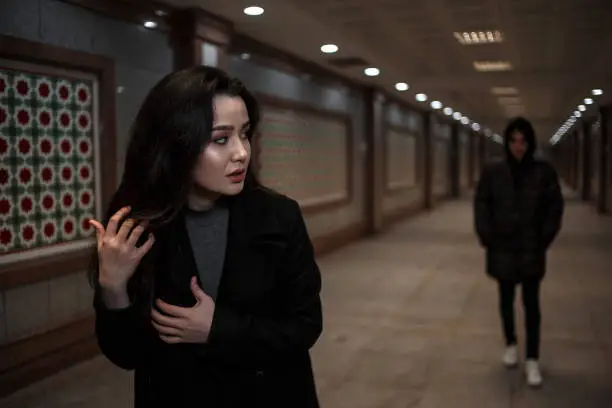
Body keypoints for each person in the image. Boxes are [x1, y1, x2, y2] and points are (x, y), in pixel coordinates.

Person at [87, 66, 323, 407]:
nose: (241, 152)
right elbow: (127, 355)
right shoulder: (136, 228)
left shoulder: (279, 217)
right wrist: (113, 289)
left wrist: (218, 329)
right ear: (175, 144)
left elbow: (305, 326)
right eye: (221, 139)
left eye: (245, 134)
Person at [473, 117, 564, 387]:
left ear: (530, 141)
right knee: (505, 299)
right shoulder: (494, 172)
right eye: (513, 140)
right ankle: (510, 342)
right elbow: (482, 204)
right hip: (502, 247)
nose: (518, 146)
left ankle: (533, 358)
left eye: (523, 140)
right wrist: (487, 236)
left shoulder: (543, 172)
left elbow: (554, 209)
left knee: (532, 304)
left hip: (530, 248)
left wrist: (542, 239)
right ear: (507, 141)